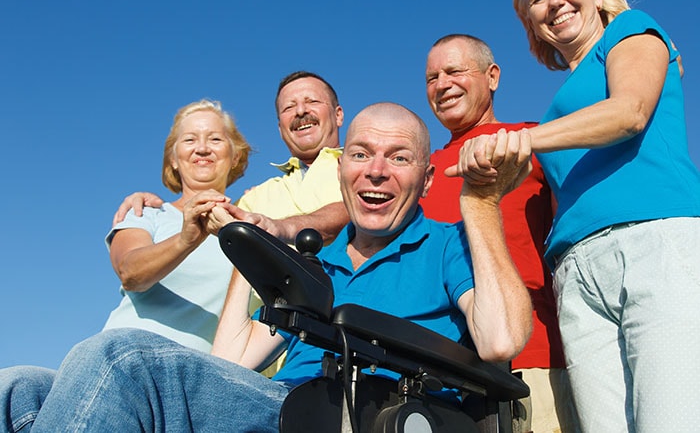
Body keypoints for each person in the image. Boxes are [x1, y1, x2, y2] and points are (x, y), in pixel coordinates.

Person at [0, 103, 533, 432]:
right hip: (283, 402)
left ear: (427, 176)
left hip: (362, 409)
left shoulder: (447, 245)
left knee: (123, 360)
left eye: (398, 157)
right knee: (19, 387)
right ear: (342, 165)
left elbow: (502, 339)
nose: (375, 171)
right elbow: (231, 360)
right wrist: (246, 249)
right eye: (361, 154)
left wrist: (481, 205)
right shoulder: (316, 263)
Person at [463, 0, 700, 432]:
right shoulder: (559, 103)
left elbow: (629, 113)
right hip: (575, 272)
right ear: (532, 23)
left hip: (651, 244)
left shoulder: (634, 32)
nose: (554, 2)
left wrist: (520, 140)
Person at [422, 34, 578, 433]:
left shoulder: (533, 141)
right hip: (439, 369)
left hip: (531, 357)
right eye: (431, 77)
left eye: (455, 71)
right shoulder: (421, 173)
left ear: (492, 76)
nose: (442, 84)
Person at [113, 70, 349, 245]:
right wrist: (150, 202)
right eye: (289, 107)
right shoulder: (255, 197)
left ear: (338, 115)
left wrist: (280, 227)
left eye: (312, 101)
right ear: (280, 128)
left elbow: (356, 210)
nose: (300, 111)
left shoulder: (365, 166)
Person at [102, 99, 251, 352]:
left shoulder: (248, 227)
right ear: (173, 158)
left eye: (215, 139)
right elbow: (130, 273)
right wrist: (185, 240)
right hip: (125, 355)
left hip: (197, 376)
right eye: (190, 140)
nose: (202, 149)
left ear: (235, 156)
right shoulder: (148, 212)